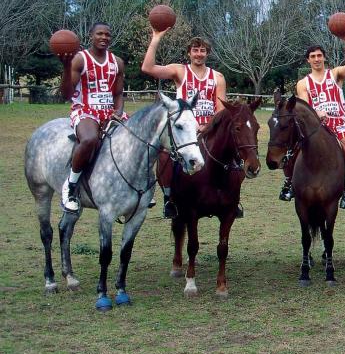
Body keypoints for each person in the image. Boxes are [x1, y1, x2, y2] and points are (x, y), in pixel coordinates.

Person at [141, 28, 230, 219]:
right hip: (182, 127)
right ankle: (167, 199)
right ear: (189, 52)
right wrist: (156, 39)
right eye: (195, 50)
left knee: (233, 151)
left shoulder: (218, 77)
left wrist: (208, 127)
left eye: (203, 50)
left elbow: (221, 109)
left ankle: (232, 198)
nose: (199, 54)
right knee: (163, 154)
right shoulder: (179, 71)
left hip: (209, 128)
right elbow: (148, 68)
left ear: (208, 53)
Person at [279, 43, 345, 209]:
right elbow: (305, 107)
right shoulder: (303, 83)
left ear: (324, 57)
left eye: (319, 56)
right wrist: (316, 113)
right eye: (313, 57)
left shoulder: (336, 74)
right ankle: (289, 184)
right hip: (316, 126)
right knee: (290, 151)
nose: (317, 59)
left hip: (338, 122)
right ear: (308, 60)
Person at [58, 22, 125, 212]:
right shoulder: (80, 60)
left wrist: (118, 112)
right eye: (99, 34)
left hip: (109, 111)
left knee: (140, 138)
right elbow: (66, 94)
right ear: (91, 36)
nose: (104, 37)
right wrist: (65, 68)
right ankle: (71, 185)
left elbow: (118, 94)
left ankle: (138, 187)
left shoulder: (117, 62)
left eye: (107, 34)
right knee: (89, 140)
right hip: (85, 110)